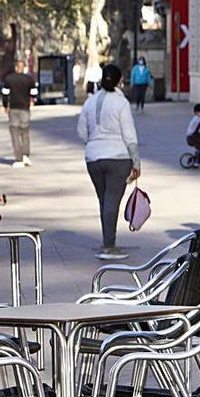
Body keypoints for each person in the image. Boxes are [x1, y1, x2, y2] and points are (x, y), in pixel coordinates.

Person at [77, 64, 140, 259]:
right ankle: (109, 245)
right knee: (112, 200)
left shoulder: (90, 102)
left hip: (93, 156)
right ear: (120, 80)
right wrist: (136, 161)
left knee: (103, 200)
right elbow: (129, 135)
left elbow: (81, 130)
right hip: (118, 156)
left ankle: (107, 239)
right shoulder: (121, 103)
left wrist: (93, 143)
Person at [3, 60, 36, 168]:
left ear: (16, 67)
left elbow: (5, 94)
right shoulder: (29, 79)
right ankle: (26, 155)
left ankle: (18, 158)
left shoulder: (9, 79)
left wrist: (5, 105)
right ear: (23, 68)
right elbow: (34, 93)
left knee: (15, 132)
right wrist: (31, 101)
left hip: (13, 108)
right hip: (25, 108)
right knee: (25, 132)